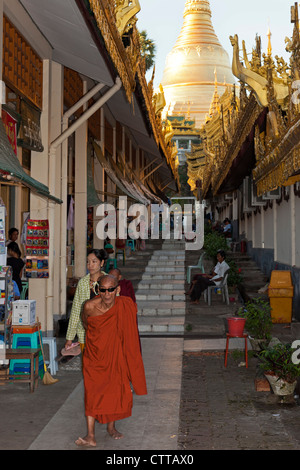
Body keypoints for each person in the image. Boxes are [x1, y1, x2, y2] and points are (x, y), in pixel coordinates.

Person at [75, 274, 147, 447]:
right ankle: (90, 435)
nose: (107, 294)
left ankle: (111, 427)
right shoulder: (89, 306)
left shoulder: (125, 305)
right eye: (103, 290)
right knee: (92, 393)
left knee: (114, 390)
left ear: (118, 290)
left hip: (115, 355)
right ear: (98, 290)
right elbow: (86, 324)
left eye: (111, 290)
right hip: (94, 356)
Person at [65, 249, 108, 353]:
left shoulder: (108, 281)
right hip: (85, 333)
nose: (90, 265)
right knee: (89, 365)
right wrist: (69, 338)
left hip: (105, 331)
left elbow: (116, 306)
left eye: (94, 261)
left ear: (101, 263)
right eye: (88, 262)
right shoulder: (83, 283)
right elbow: (76, 310)